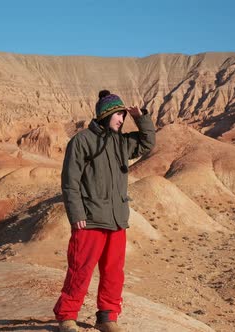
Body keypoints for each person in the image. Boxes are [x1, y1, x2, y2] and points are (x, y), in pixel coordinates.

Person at [54, 90, 156, 332]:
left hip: (117, 219)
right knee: (80, 270)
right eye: (118, 115)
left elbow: (147, 143)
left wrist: (141, 118)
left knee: (113, 273)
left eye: (123, 115)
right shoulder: (82, 141)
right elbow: (70, 181)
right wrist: (76, 214)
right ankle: (67, 317)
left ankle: (107, 318)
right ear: (105, 115)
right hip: (89, 219)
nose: (122, 119)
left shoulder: (122, 142)